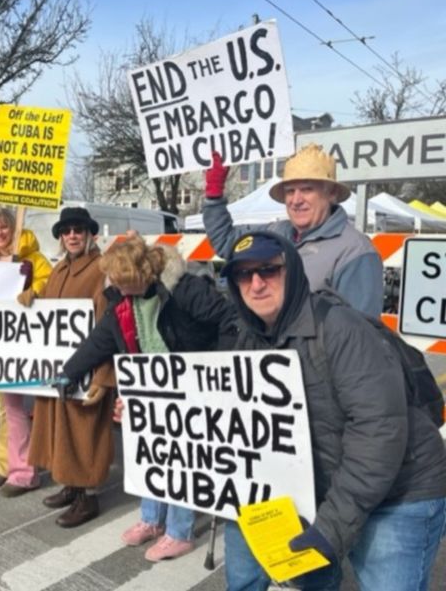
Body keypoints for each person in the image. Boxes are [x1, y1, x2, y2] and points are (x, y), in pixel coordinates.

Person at [221, 230, 446, 591]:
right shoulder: (248, 339)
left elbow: (378, 432)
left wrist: (332, 527)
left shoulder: (340, 328)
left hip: (401, 491)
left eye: (268, 270)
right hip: (322, 486)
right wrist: (151, 415)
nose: (257, 283)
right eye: (244, 275)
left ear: (292, 272)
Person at [60, 236, 238, 559]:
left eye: (129, 284)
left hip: (194, 383)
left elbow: (228, 320)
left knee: (181, 455)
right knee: (151, 450)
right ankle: (152, 519)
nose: (123, 291)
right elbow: (100, 340)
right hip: (150, 387)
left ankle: (179, 530)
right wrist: (69, 372)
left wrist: (220, 369)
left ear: (146, 273)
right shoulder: (120, 298)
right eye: (118, 284)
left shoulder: (184, 289)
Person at [203, 144, 383, 318]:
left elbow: (361, 334)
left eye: (307, 189)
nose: (296, 200)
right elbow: (227, 241)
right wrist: (214, 194)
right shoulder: (276, 233)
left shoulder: (355, 251)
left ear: (332, 193)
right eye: (290, 191)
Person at [26, 207, 116, 528]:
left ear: (89, 233)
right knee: (63, 433)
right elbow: (47, 312)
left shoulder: (102, 268)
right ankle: (72, 486)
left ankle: (87, 496)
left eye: (78, 229)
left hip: (90, 368)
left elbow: (110, 327)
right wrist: (32, 296)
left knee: (85, 434)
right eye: (67, 231)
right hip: (61, 367)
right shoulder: (59, 270)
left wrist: (106, 377)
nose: (73, 235)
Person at [0, 207, 52, 496]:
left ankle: (24, 472)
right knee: (5, 407)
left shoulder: (31, 256)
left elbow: (51, 280)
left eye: (4, 227)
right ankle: (5, 464)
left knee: (16, 408)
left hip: (26, 340)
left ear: (14, 228)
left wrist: (36, 289)